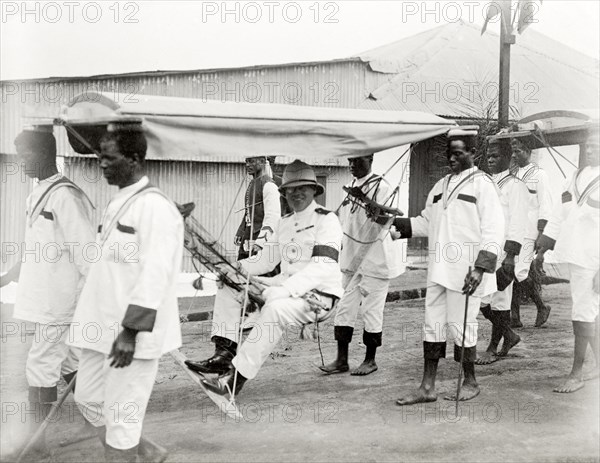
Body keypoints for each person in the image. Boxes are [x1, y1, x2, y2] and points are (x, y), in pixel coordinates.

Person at [67, 122, 184, 462]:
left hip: (131, 335)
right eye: (99, 157)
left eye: (109, 158)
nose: (101, 164)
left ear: (134, 160)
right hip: (101, 328)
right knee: (88, 398)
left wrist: (130, 331)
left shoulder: (155, 207)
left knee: (122, 417)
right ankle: (145, 451)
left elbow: (155, 273)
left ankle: (129, 449)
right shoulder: (120, 201)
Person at [187, 160, 344, 397]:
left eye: (302, 188)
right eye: (291, 189)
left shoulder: (327, 220)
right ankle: (223, 355)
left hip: (319, 297)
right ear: (284, 193)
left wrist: (283, 290)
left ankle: (232, 382)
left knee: (276, 309)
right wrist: (236, 268)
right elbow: (266, 261)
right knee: (230, 286)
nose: (296, 193)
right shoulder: (285, 223)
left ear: (314, 190)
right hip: (283, 287)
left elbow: (323, 266)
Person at [0, 126, 95, 457]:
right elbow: (37, 247)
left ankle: (35, 440)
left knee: (40, 364)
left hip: (62, 300)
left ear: (42, 155)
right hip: (46, 296)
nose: (22, 162)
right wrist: (9, 275)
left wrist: (91, 301)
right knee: (71, 361)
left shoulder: (66, 196)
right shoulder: (37, 194)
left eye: (26, 155)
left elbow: (87, 255)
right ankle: (100, 421)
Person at [392, 128, 505, 405]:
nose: (451, 159)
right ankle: (427, 386)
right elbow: (425, 222)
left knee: (462, 325)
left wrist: (480, 268)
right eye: (449, 154)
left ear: (472, 153)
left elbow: (494, 229)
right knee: (433, 326)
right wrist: (393, 223)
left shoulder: (483, 185)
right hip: (439, 269)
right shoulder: (441, 185)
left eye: (458, 153)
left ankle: (470, 381)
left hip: (467, 271)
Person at [319, 154, 403, 376]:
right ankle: (341, 359)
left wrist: (367, 202)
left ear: (371, 159)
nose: (352, 166)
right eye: (350, 161)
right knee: (344, 309)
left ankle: (370, 360)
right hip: (353, 259)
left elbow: (391, 221)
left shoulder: (383, 187)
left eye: (358, 161)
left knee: (371, 311)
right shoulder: (351, 185)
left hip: (376, 259)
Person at [537, 130, 599, 393]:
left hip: (593, 259)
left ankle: (576, 374)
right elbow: (557, 216)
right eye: (588, 146)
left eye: (596, 147)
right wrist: (542, 247)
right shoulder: (572, 177)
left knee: (582, 312)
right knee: (590, 310)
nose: (590, 151)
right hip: (574, 254)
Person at [476, 138, 529, 365]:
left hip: (505, 254)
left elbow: (518, 222)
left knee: (499, 300)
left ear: (508, 158)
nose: (490, 159)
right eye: (488, 155)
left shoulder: (515, 186)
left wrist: (511, 257)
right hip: (487, 250)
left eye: (495, 155)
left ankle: (493, 346)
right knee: (481, 300)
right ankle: (509, 336)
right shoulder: (485, 183)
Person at [510, 136, 554, 328]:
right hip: (513, 231)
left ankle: (541, 306)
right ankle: (515, 317)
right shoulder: (513, 175)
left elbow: (545, 204)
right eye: (512, 151)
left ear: (528, 152)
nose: (514, 155)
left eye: (518, 151)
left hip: (529, 231)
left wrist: (541, 233)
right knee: (509, 270)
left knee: (520, 272)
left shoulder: (539, 174)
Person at [234, 156, 281, 260]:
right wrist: (241, 230)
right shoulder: (253, 183)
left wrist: (261, 242)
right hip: (248, 236)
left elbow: (273, 216)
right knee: (241, 268)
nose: (247, 165)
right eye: (246, 161)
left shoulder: (269, 185)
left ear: (262, 161)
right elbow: (249, 211)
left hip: (260, 238)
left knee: (257, 272)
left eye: (251, 161)